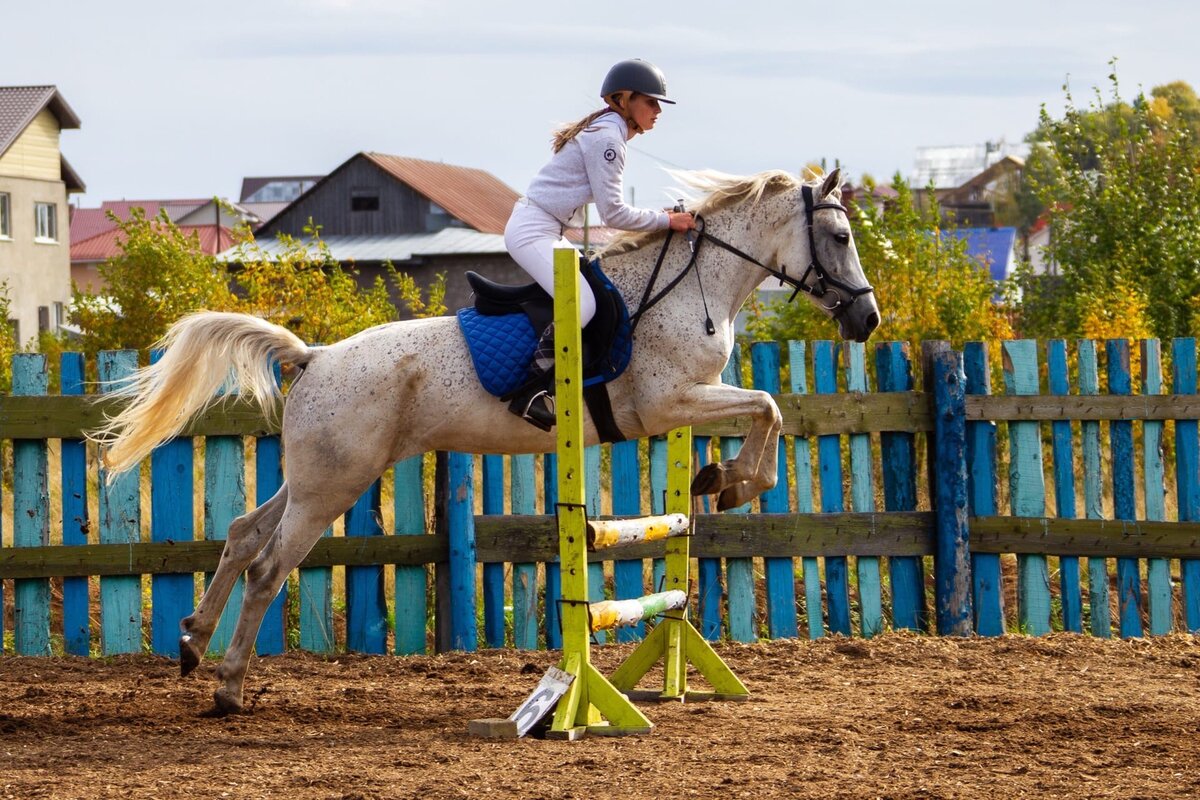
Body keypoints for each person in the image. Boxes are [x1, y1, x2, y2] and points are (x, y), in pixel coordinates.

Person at [504, 58, 696, 429]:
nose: (657, 111)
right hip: (533, 232)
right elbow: (614, 216)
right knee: (585, 305)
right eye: (651, 102)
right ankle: (529, 390)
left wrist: (661, 217)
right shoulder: (609, 140)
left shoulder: (608, 132)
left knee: (602, 293)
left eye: (659, 105)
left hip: (546, 230)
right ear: (623, 100)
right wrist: (667, 221)